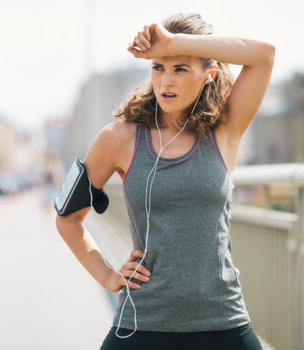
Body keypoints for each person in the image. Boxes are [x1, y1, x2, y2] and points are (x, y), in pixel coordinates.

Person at [55, 12, 275, 350]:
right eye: (158, 67)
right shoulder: (119, 137)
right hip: (142, 326)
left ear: (208, 75)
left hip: (223, 325)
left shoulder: (225, 129)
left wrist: (173, 43)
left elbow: (263, 55)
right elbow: (68, 218)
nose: (165, 81)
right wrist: (107, 275)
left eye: (181, 68)